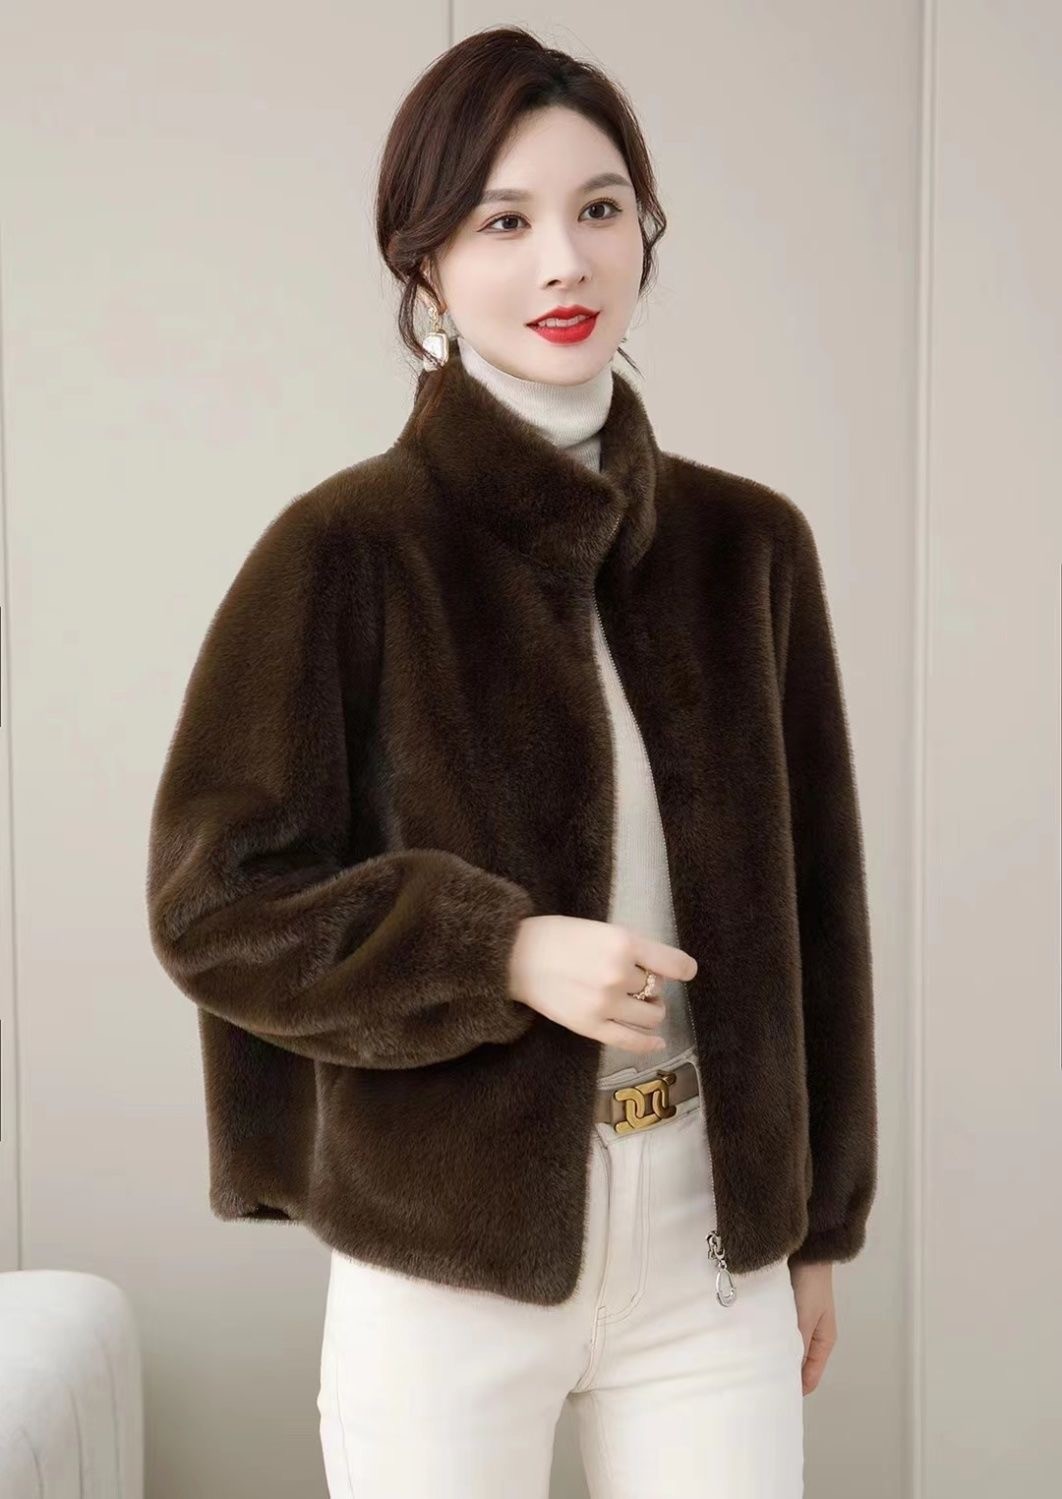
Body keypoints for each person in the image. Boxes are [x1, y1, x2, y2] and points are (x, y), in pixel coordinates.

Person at [146, 25, 877, 1499]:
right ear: (423, 268)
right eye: (502, 222)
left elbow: (819, 907)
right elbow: (215, 905)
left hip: (710, 1249)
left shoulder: (749, 549)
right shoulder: (346, 549)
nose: (564, 262)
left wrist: (816, 1227)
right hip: (445, 1261)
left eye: (599, 209)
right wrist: (498, 951)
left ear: (643, 232)